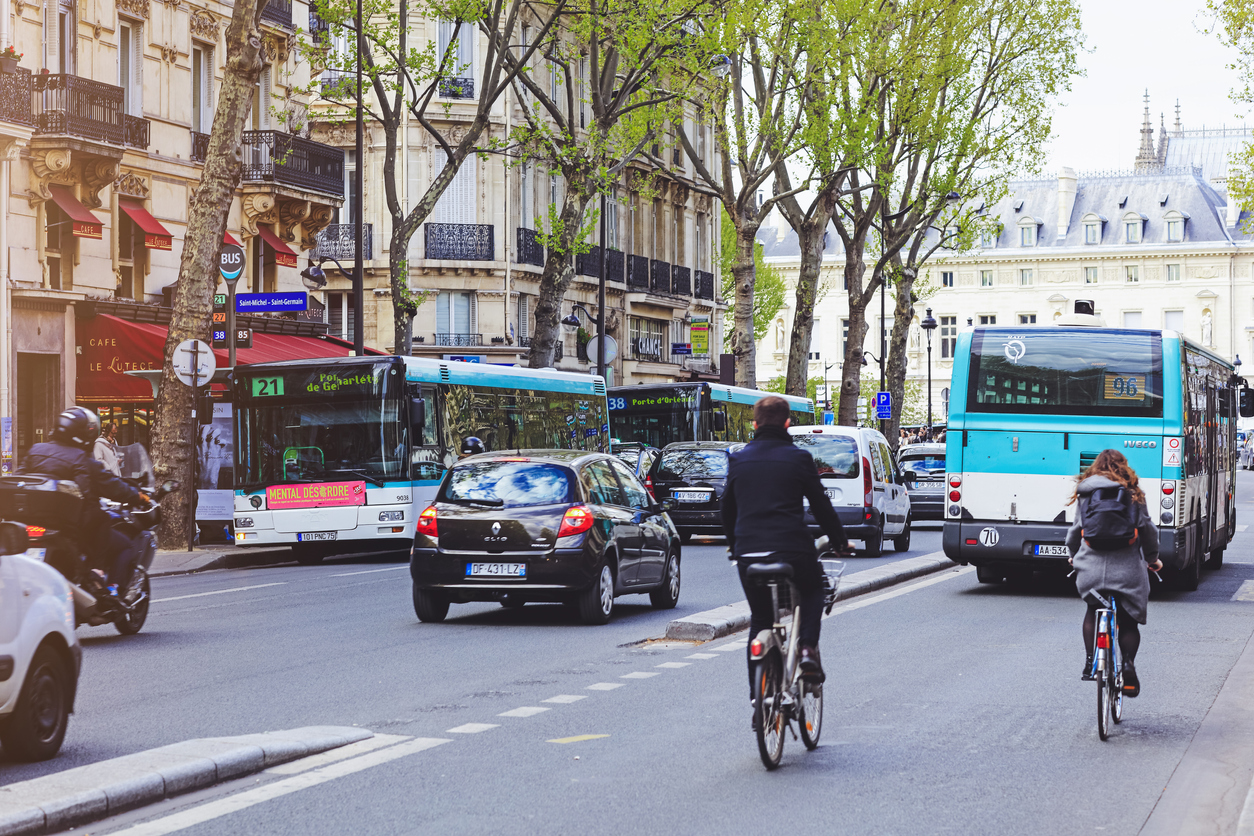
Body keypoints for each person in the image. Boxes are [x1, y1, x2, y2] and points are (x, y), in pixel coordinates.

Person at [721, 396, 852, 707]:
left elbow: (727, 508)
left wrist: (734, 544)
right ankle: (807, 649)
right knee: (812, 591)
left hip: (748, 553)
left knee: (761, 617)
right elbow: (821, 506)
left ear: (754, 425)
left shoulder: (739, 460)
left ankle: (758, 696)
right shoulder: (799, 459)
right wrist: (839, 540)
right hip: (793, 549)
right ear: (787, 424)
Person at [21, 407, 149, 599]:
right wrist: (138, 496)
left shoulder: (35, 450)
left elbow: (20, 478)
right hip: (71, 526)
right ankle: (105, 582)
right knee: (120, 540)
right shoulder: (82, 459)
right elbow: (111, 486)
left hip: (34, 521)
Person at [1066, 449, 1162, 698]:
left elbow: (1076, 531)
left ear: (1096, 468)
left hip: (1091, 569)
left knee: (1091, 608)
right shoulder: (1133, 493)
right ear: (1124, 467)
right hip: (1127, 570)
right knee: (1128, 621)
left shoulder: (1086, 493)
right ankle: (1128, 664)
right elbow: (1148, 530)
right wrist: (1153, 559)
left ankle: (1091, 662)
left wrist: (1073, 554)